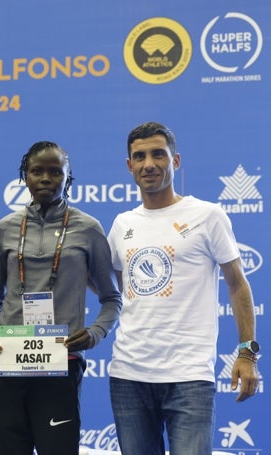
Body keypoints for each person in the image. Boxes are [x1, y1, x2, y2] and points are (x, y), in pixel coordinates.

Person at [107, 121, 260, 455]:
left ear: (175, 161)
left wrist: (247, 352)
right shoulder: (122, 225)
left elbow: (238, 285)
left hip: (189, 376)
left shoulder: (208, 215)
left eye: (158, 154)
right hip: (128, 376)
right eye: (140, 156)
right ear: (129, 165)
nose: (149, 163)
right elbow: (116, 288)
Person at [0, 141, 122, 455]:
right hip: (10, 361)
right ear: (24, 177)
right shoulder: (6, 228)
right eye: (37, 171)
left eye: (55, 172)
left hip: (61, 363)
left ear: (68, 178)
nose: (45, 178)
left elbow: (112, 298)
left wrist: (95, 333)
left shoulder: (88, 228)